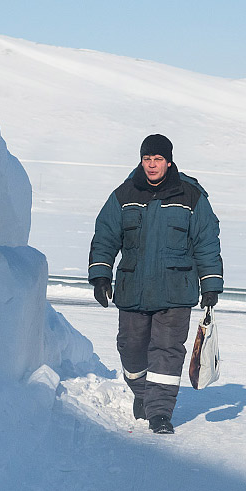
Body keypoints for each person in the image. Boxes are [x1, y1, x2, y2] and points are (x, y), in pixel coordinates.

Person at [88, 134, 224, 435]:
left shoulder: (191, 196)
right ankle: (143, 393)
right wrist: (100, 275)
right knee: (131, 348)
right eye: (147, 159)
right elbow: (106, 235)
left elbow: (206, 242)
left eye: (157, 159)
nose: (152, 165)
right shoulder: (124, 194)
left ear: (169, 161)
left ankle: (160, 413)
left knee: (168, 350)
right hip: (133, 287)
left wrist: (210, 283)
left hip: (176, 289)